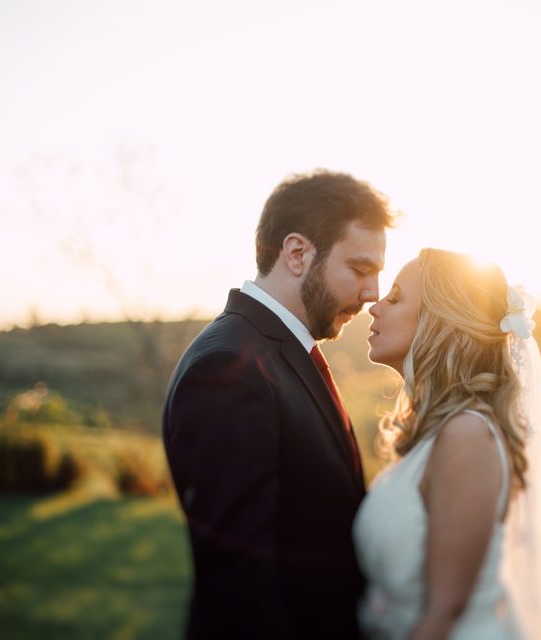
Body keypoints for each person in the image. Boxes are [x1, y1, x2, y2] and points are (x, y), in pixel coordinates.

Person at [163, 170, 394, 639]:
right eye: (360, 269)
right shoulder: (228, 369)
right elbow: (240, 583)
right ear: (297, 253)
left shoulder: (283, 353)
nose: (372, 295)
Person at [354, 249, 541, 639]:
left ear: (440, 321)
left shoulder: (466, 436)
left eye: (396, 297)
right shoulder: (432, 434)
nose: (375, 307)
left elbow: (442, 614)